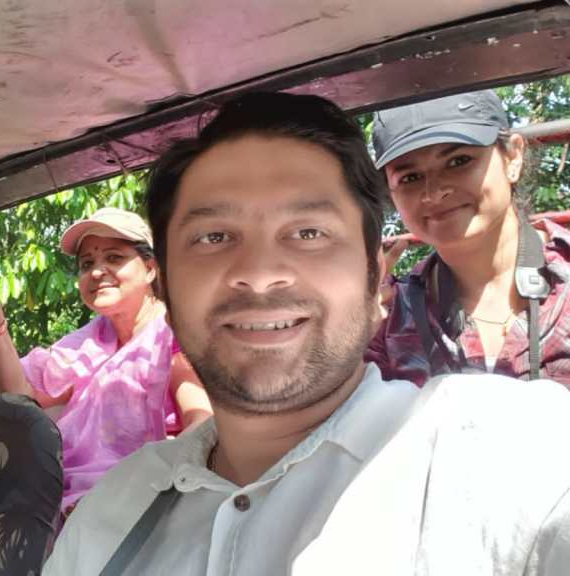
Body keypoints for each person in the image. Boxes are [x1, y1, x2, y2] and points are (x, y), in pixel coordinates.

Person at [44, 92, 570, 575]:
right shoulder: (109, 516)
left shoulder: (510, 450)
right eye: (214, 236)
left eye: (308, 232)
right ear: (167, 290)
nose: (259, 273)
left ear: (376, 275)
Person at [0, 207, 212, 515]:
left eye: (114, 258)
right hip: (60, 501)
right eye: (86, 264)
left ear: (150, 268)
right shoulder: (88, 343)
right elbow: (17, 393)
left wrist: (135, 489)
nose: (96, 272)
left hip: (141, 507)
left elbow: (202, 424)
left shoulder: (173, 334)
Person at [366, 89, 570, 385]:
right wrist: (347, 325)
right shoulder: (388, 319)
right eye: (410, 177)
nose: (435, 192)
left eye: (458, 161)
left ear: (513, 157)